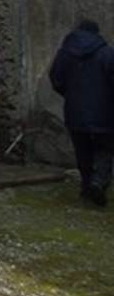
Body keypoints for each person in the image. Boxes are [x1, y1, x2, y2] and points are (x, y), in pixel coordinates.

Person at [49, 19, 114, 207]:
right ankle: (98, 182)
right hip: (105, 112)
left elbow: (56, 79)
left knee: (82, 151)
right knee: (105, 150)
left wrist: (70, 94)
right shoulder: (107, 53)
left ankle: (87, 186)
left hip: (75, 111)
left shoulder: (65, 54)